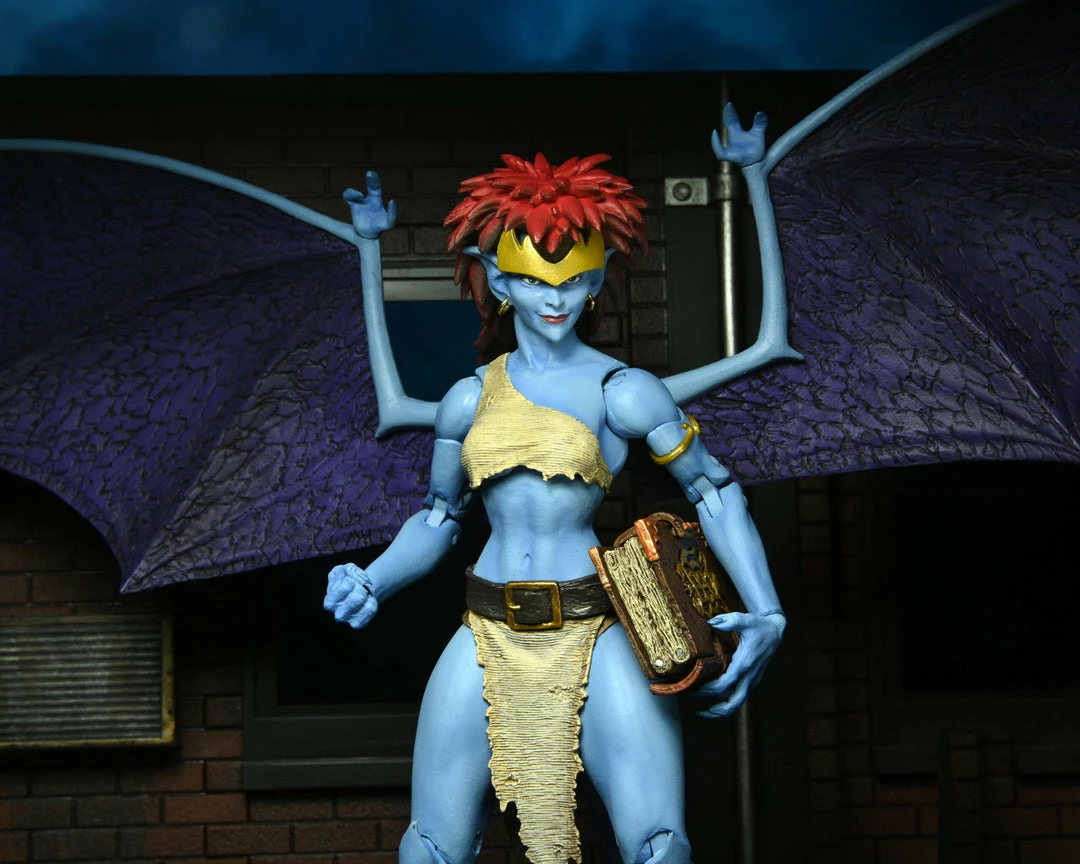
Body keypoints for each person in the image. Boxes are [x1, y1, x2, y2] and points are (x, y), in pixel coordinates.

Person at [324, 152, 785, 864]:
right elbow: (440, 517)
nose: (556, 298)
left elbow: (714, 490)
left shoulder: (623, 391)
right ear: (499, 279)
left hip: (594, 629)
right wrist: (373, 579)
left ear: (597, 278)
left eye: (572, 280)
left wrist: (768, 609)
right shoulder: (467, 399)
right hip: (485, 631)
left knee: (660, 849)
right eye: (536, 280)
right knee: (429, 850)